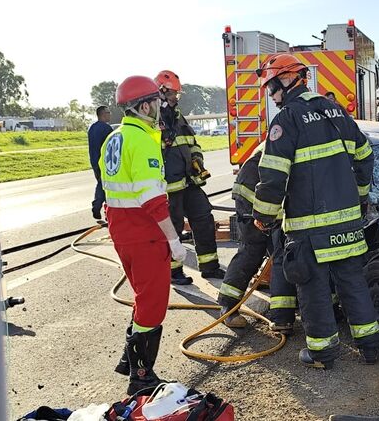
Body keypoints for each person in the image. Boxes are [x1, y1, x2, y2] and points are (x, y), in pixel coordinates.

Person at [253, 54, 379, 369]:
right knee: (353, 281)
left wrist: (264, 216)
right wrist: (360, 198)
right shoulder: (336, 111)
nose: (271, 95)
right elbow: (364, 157)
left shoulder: (287, 120)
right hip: (349, 222)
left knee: (313, 287)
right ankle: (370, 346)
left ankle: (322, 354)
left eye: (271, 86)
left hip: (309, 228)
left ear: (289, 79)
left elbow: (273, 176)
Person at [100, 75, 185, 395]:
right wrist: (173, 240)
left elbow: (106, 182)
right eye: (157, 104)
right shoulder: (141, 141)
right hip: (144, 233)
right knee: (152, 305)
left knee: (141, 296)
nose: (161, 110)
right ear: (145, 105)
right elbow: (152, 199)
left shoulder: (114, 138)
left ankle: (129, 359)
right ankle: (142, 376)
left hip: (121, 231)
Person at [216, 142, 297, 333]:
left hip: (267, 193)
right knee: (257, 250)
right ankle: (229, 307)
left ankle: (283, 316)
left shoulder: (298, 131)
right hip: (255, 194)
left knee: (280, 253)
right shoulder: (296, 136)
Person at [155, 70, 224, 284]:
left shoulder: (178, 117)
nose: (177, 97)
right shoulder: (153, 121)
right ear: (162, 92)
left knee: (204, 218)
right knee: (173, 227)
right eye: (174, 93)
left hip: (189, 182)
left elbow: (192, 143)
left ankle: (210, 266)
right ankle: (173, 271)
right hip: (169, 187)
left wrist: (197, 161)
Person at [87, 105, 112, 220]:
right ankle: (100, 208)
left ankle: (102, 210)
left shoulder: (92, 128)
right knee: (106, 186)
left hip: (94, 161)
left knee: (101, 183)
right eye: (108, 112)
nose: (109, 114)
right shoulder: (106, 129)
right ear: (103, 114)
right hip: (105, 162)